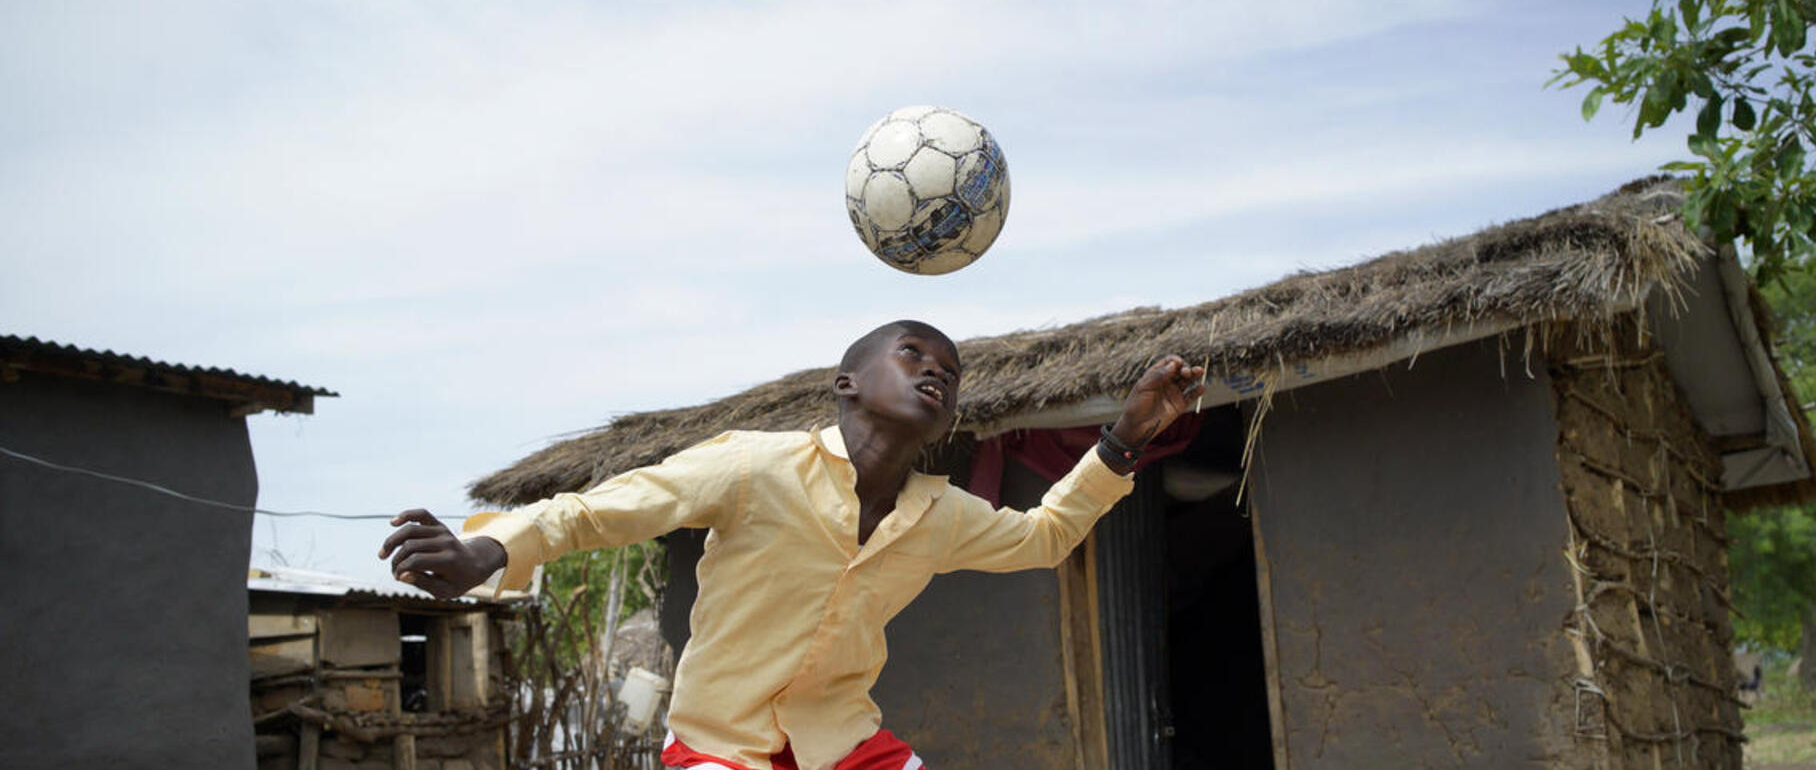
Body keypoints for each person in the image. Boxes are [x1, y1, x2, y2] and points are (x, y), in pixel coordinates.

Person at [380, 320, 1204, 770]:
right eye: (912, 353)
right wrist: (491, 552)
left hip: (846, 747)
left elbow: (1043, 537)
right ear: (848, 383)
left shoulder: (939, 512)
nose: (936, 372)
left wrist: (1125, 441)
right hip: (719, 748)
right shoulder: (752, 465)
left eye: (949, 374)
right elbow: (605, 509)